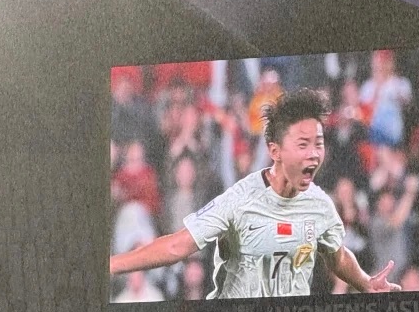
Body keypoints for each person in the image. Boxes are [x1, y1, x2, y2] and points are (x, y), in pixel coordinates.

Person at [109, 89, 402, 300]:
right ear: (275, 150)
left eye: (319, 143)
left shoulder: (321, 205)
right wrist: (112, 264)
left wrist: (364, 282)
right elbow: (176, 246)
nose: (314, 154)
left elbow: (337, 256)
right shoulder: (239, 200)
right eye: (303, 144)